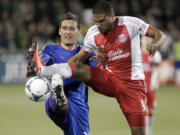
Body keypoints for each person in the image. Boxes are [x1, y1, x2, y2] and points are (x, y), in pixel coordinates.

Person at [27, 1, 166, 135]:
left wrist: (155, 43)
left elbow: (159, 34)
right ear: (59, 31)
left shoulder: (130, 24)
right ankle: (51, 85)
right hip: (103, 82)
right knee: (77, 70)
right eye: (95, 21)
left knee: (139, 132)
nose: (98, 25)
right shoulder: (82, 38)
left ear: (112, 17)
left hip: (129, 85)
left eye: (102, 21)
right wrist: (42, 70)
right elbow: (74, 61)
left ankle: (58, 95)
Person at [26, 12, 98, 135]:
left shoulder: (86, 53)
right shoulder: (50, 49)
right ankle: (60, 97)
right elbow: (41, 65)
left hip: (79, 105)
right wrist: (37, 65)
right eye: (64, 28)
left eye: (71, 29)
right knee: (59, 102)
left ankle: (60, 95)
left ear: (79, 32)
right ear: (59, 31)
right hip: (54, 100)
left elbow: (97, 73)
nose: (67, 32)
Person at [141, 36, 162, 135]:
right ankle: (143, 130)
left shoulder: (155, 54)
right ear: (142, 40)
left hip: (150, 85)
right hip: (139, 86)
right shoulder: (137, 53)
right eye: (145, 39)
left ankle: (149, 130)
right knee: (140, 109)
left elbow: (157, 70)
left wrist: (156, 82)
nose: (146, 41)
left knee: (149, 109)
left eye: (149, 39)